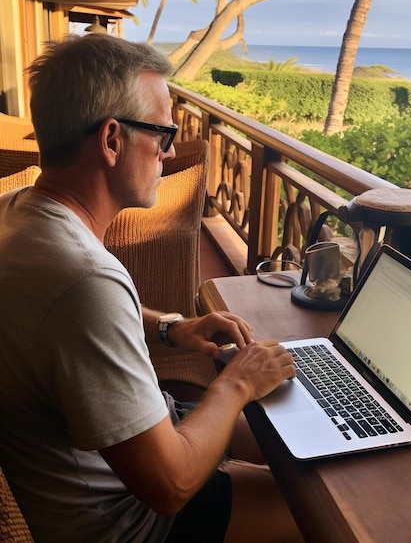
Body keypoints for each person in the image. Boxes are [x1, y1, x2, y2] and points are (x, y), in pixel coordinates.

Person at [0, 34, 302, 543]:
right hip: (135, 523)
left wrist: (172, 327)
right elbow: (171, 485)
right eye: (163, 133)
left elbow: (67, 322)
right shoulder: (83, 279)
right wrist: (236, 384)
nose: (168, 152)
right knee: (316, 510)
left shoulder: (15, 210)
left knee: (296, 441)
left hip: (123, 452)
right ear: (112, 139)